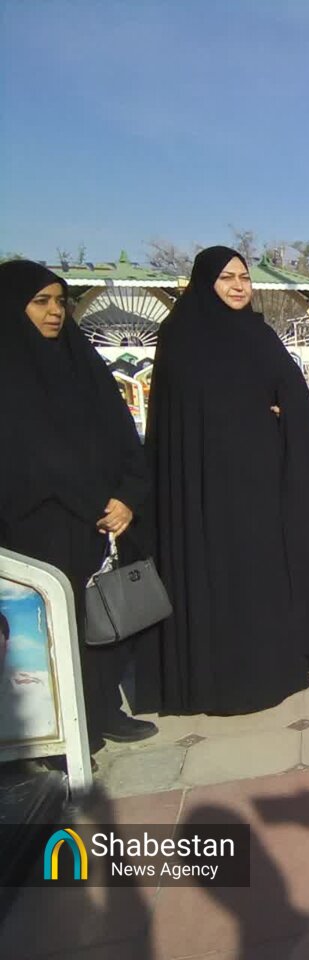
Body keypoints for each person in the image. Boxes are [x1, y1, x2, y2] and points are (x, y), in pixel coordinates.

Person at [133, 247, 309, 716]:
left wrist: (281, 413)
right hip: (202, 487)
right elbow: (180, 417)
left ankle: (267, 668)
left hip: (259, 483)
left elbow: (292, 393)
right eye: (227, 278)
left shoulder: (258, 333)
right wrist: (251, 411)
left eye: (244, 277)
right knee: (213, 579)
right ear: (206, 282)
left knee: (258, 574)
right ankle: (215, 678)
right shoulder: (181, 335)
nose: (239, 286)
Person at [0, 260, 155, 749]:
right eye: (40, 302)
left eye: (60, 302)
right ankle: (61, 728)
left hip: (102, 521)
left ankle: (102, 708)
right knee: (52, 628)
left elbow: (122, 435)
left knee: (103, 621)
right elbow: (27, 458)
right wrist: (93, 500)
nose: (55, 312)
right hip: (40, 525)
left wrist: (127, 496)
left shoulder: (80, 361)